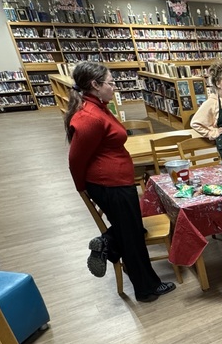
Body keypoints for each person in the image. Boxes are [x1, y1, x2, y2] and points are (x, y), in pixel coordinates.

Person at [66, 61, 175, 303]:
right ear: (94, 85)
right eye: (110, 83)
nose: (114, 87)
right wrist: (81, 189)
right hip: (109, 183)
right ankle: (146, 289)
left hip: (116, 180)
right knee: (133, 238)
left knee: (134, 230)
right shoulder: (89, 116)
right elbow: (75, 159)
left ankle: (107, 244)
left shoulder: (100, 106)